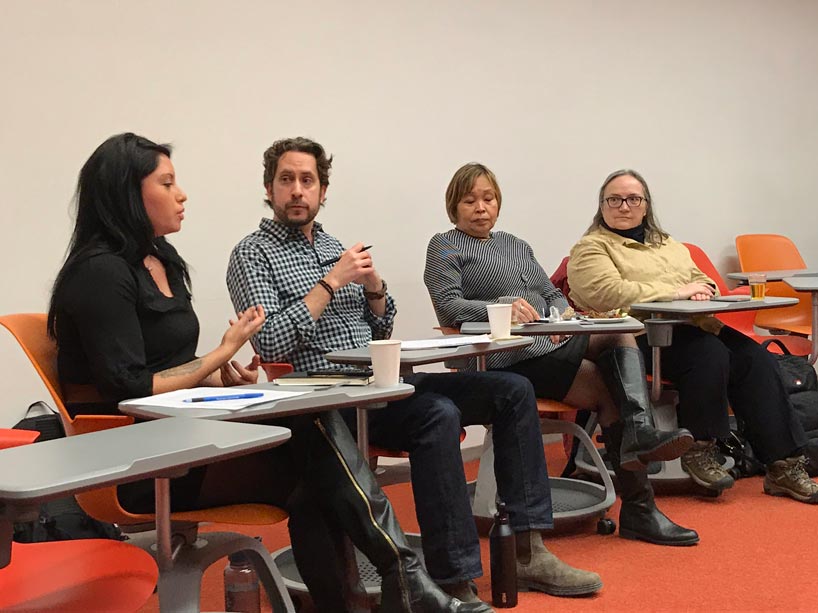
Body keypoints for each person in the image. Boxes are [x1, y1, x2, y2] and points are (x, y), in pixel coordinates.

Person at [48, 133, 489, 613]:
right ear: (127, 193)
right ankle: (406, 579)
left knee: (316, 463)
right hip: (135, 460)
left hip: (178, 433)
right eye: (168, 183)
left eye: (308, 180)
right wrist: (220, 354)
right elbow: (128, 386)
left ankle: (380, 593)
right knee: (310, 433)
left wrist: (219, 376)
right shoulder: (100, 272)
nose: (183, 194)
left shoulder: (163, 262)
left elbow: (162, 367)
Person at [226, 137, 603, 608]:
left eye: (308, 181)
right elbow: (271, 341)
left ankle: (528, 549)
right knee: (438, 414)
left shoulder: (333, 245)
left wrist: (377, 292)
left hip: (379, 380)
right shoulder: (252, 253)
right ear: (269, 187)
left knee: (512, 389)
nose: (298, 191)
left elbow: (377, 326)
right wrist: (332, 282)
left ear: (323, 190)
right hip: (321, 397)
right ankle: (454, 578)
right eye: (287, 180)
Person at [423, 162, 698, 547]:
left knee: (621, 332)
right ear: (454, 207)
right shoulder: (444, 246)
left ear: (498, 203)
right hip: (505, 353)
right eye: (469, 201)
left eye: (488, 198)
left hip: (550, 340)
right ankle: (640, 503)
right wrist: (502, 306)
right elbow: (448, 306)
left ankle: (640, 441)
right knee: (607, 389)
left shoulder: (515, 244)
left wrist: (562, 318)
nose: (480, 208)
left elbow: (550, 292)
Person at [567, 168, 818, 504]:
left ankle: (783, 465)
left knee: (754, 358)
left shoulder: (667, 244)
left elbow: (703, 279)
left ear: (646, 206)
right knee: (708, 353)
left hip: (692, 326)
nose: (624, 206)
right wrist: (677, 291)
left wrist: (703, 291)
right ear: (602, 205)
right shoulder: (591, 248)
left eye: (633, 199)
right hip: (633, 337)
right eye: (614, 199)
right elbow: (606, 293)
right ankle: (700, 448)